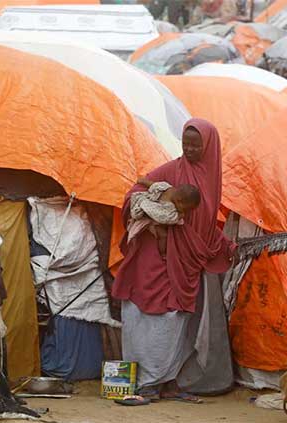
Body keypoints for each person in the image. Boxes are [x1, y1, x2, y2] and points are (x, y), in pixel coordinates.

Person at [112, 118, 236, 404]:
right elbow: (135, 193)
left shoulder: (211, 181)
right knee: (151, 323)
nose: (190, 150)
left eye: (196, 145)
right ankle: (145, 384)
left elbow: (203, 226)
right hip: (153, 263)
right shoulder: (171, 170)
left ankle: (168, 383)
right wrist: (155, 218)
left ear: (209, 148)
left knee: (177, 325)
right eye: (186, 144)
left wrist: (225, 244)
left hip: (185, 269)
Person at [127, 179, 202, 255]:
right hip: (152, 215)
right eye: (185, 209)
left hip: (153, 209)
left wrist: (142, 181)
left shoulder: (166, 187)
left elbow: (153, 184)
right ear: (179, 201)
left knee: (162, 233)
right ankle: (163, 254)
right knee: (163, 235)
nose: (185, 212)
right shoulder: (169, 206)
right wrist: (179, 216)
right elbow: (167, 218)